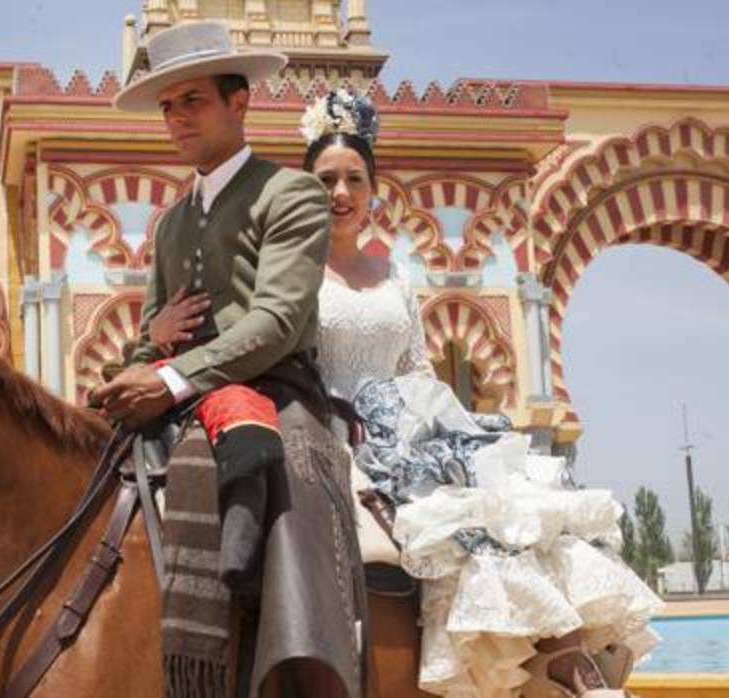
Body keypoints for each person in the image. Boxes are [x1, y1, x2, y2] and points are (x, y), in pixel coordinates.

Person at [151, 90, 662, 698]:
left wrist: (447, 434)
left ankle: (565, 667)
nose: (339, 193)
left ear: (374, 191)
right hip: (331, 425)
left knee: (511, 508)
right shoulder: (289, 272)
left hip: (409, 427)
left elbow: (417, 366)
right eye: (325, 180)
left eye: (353, 179)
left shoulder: (394, 275)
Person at [93, 21, 361, 698]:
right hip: (179, 396)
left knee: (295, 501)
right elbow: (150, 339)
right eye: (167, 106)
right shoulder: (171, 223)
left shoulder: (290, 194)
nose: (176, 118)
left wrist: (170, 377)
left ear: (239, 102)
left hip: (275, 393)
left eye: (193, 100)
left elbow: (276, 323)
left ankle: (307, 677)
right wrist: (149, 346)